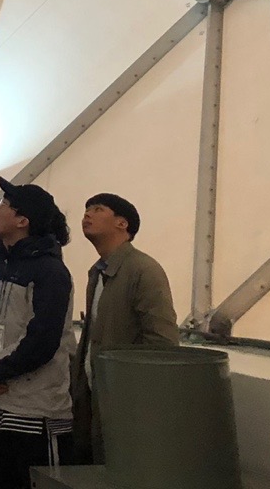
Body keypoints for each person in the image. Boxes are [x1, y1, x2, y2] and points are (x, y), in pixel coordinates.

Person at [0, 178, 75, 489]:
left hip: (34, 413)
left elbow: (42, 341)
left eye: (4, 204)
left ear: (22, 220)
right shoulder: (2, 263)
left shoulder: (50, 271)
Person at [72, 193, 178, 461]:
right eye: (86, 209)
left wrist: (141, 398)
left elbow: (162, 342)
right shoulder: (97, 272)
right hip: (94, 397)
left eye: (98, 209)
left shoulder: (144, 269)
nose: (87, 215)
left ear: (122, 223)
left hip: (127, 403)